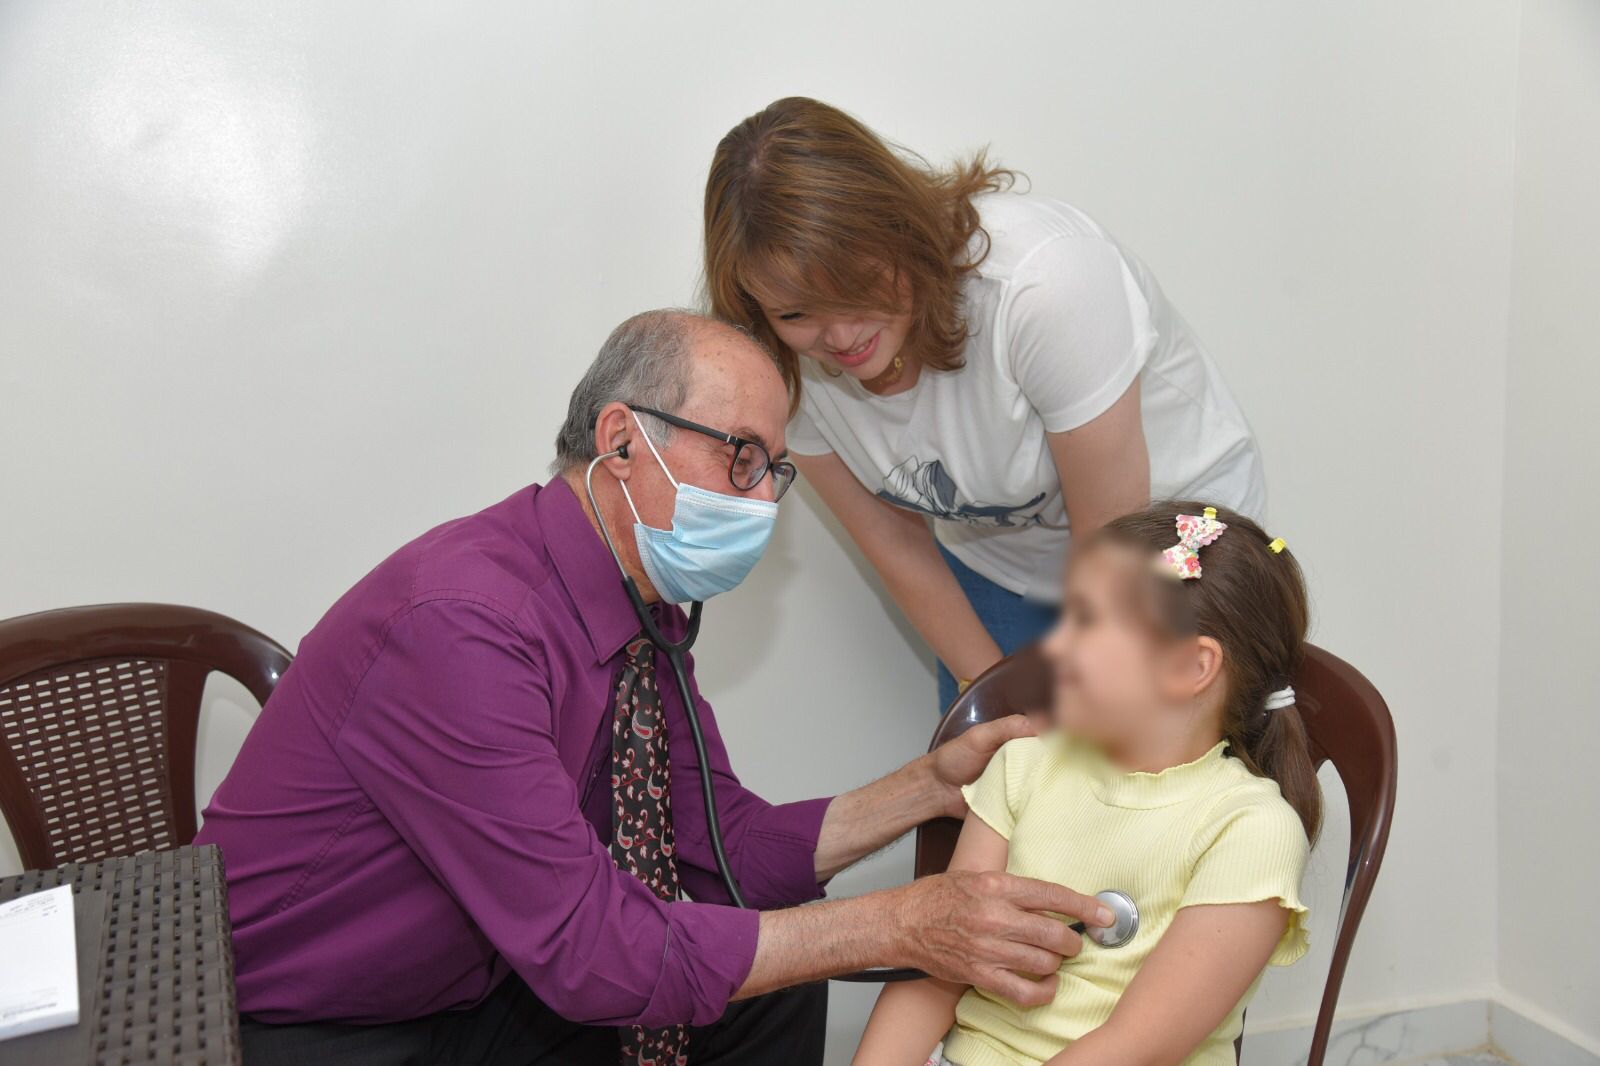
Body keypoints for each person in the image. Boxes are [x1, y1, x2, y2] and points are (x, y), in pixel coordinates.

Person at [195, 309, 1116, 1066]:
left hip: (477, 984)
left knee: (773, 986)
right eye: (741, 457)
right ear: (622, 441)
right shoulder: (464, 624)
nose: (762, 501)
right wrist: (900, 926)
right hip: (310, 1022)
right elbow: (591, 951)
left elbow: (723, 847)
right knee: (762, 961)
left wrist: (929, 787)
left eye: (774, 472)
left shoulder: (640, 610)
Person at [704, 97, 1268, 710]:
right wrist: (998, 701)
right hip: (1000, 559)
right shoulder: (777, 369)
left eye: (855, 287)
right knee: (1001, 746)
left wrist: (1093, 703)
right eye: (795, 313)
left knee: (1164, 751)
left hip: (1168, 536)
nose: (839, 337)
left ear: (898, 229)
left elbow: (1114, 543)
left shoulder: (1043, 286)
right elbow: (894, 541)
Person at [851, 502, 1318, 1066]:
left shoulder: (1251, 829)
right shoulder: (1025, 764)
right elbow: (937, 967)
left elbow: (1134, 1048)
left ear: (1192, 667)